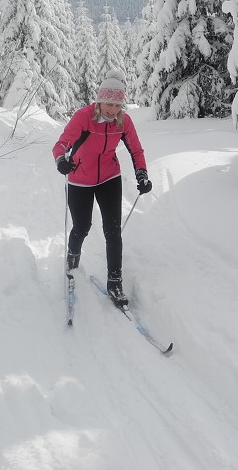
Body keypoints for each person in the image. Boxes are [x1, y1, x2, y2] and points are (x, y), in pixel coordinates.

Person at [52, 69, 152, 308]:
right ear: (99, 100)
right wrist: (61, 160)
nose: (112, 110)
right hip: (80, 180)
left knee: (113, 231)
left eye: (117, 105)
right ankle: (73, 258)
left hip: (109, 178)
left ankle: (115, 282)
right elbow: (61, 144)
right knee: (82, 226)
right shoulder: (84, 117)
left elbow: (136, 150)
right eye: (108, 103)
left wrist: (142, 173)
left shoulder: (123, 122)